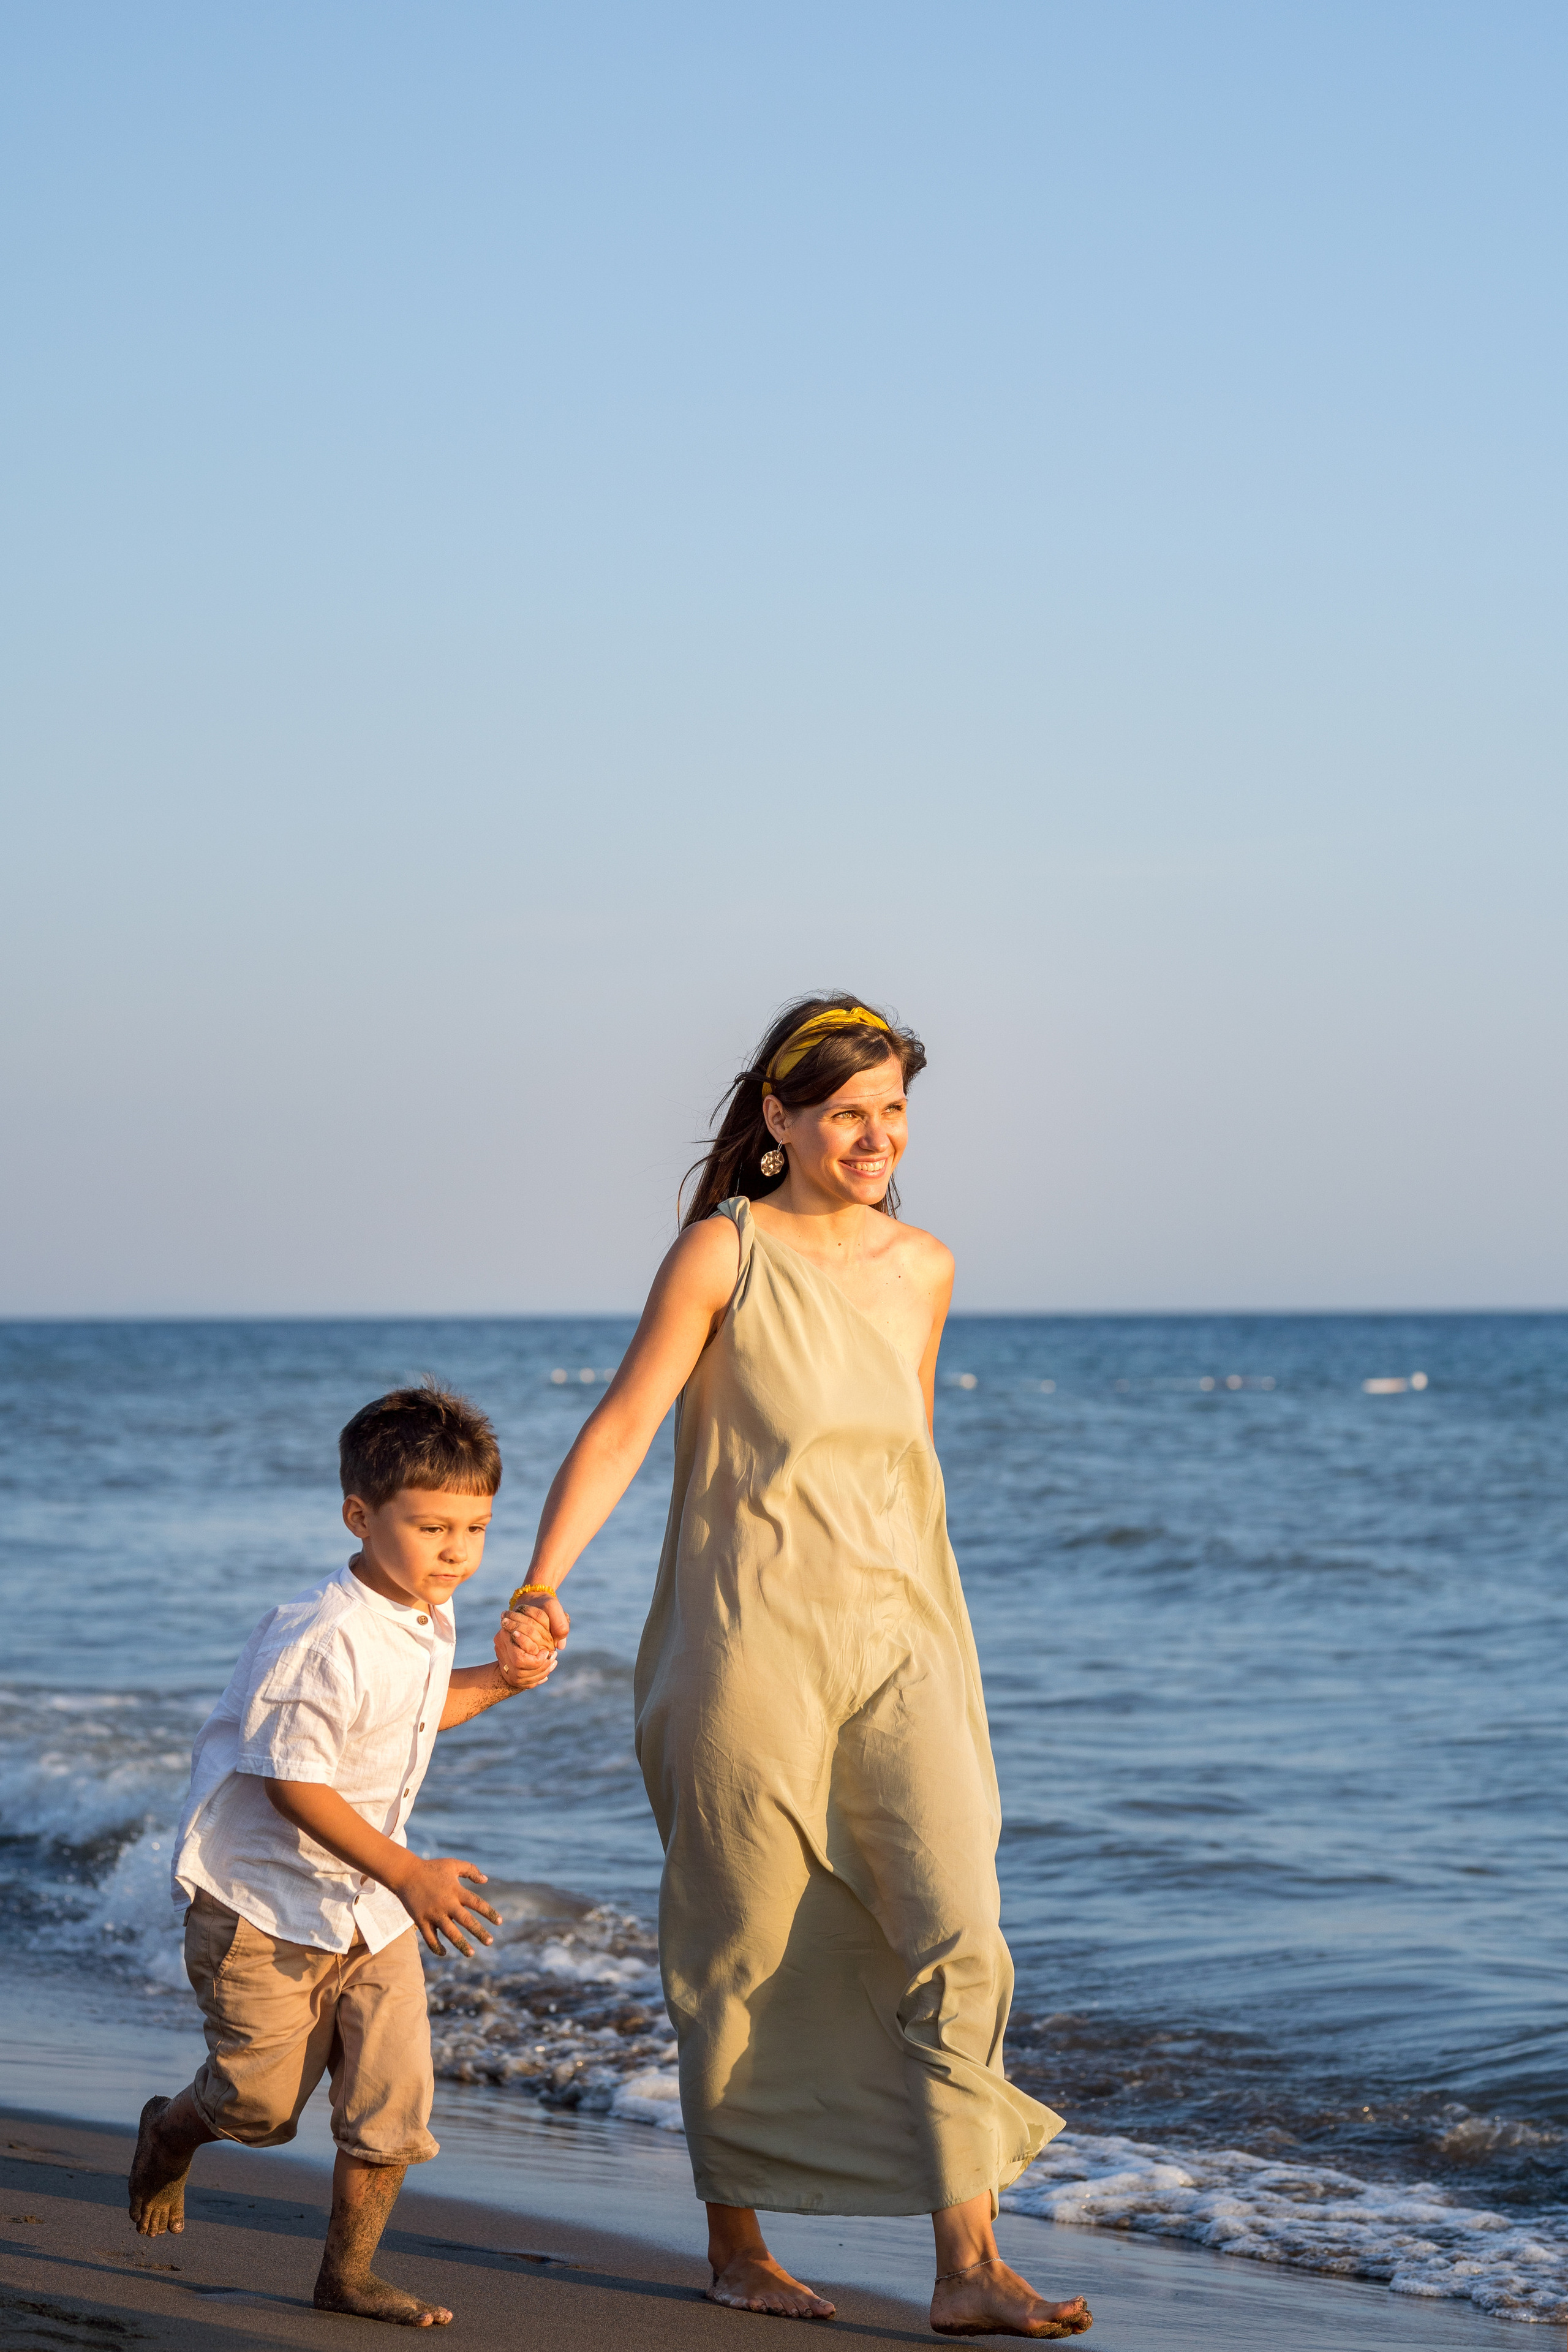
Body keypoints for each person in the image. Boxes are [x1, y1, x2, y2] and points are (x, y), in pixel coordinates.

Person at [506, 996, 1091, 2339]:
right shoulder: (722, 1255)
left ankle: (966, 2266)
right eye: (846, 1113)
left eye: (892, 1113)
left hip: (907, 1648)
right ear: (776, 1119)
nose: (875, 1137)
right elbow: (621, 1428)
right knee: (743, 1939)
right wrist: (539, 1586)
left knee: (956, 1927)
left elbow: (907, 1468)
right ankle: (736, 2243)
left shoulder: (927, 1265)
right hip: (742, 1645)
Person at [127, 1382, 557, 2329]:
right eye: (433, 1527)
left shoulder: (422, 1612)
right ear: (360, 1516)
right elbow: (294, 1781)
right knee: (258, 2108)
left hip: (370, 1908)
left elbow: (409, 1713)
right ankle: (169, 2131)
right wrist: (409, 1872)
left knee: (394, 2101)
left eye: (477, 1530)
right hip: (262, 1907)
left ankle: (347, 2276)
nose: (457, 1553)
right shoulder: (320, 1633)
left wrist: (501, 1681)